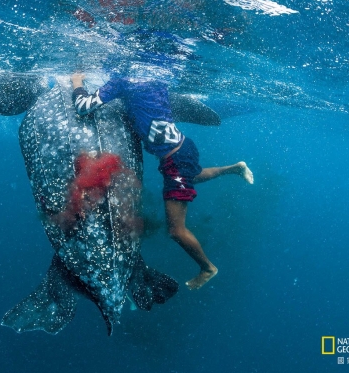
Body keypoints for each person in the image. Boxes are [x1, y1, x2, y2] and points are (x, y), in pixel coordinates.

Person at [71, 74, 254, 290]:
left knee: (176, 230)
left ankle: (207, 268)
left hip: (174, 159)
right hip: (183, 147)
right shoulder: (156, 77)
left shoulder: (123, 80)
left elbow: (83, 107)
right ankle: (235, 168)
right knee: (191, 176)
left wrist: (77, 82)